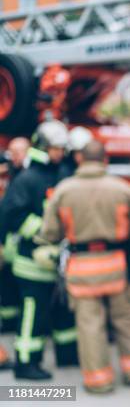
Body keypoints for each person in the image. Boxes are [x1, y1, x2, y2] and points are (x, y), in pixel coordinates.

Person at [38, 140, 130, 393]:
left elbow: (50, 232)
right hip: (118, 265)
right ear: (105, 160)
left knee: (90, 325)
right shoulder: (122, 189)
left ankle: (99, 381)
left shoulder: (64, 190)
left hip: (82, 268)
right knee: (126, 319)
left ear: (80, 159)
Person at [2, 121, 79, 380]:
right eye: (55, 148)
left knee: (63, 310)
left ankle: (68, 355)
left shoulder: (61, 174)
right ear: (43, 147)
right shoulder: (27, 179)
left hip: (60, 258)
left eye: (61, 149)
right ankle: (26, 363)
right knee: (33, 312)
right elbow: (11, 216)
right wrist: (44, 234)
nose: (59, 153)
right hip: (33, 259)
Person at [0, 137, 30, 335]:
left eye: (18, 151)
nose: (14, 156)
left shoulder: (27, 176)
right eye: (12, 151)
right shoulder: (11, 174)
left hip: (20, 244)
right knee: (6, 286)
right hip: (7, 243)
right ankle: (9, 322)